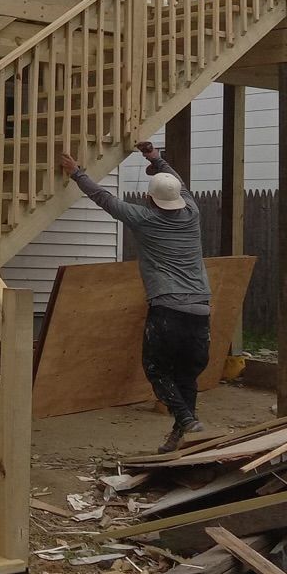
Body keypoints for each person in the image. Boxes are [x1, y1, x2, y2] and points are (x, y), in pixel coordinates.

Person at [58, 142, 211, 452]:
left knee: (156, 369)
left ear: (148, 198)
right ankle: (184, 430)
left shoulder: (144, 219)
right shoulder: (193, 212)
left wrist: (76, 172)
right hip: (201, 310)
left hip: (168, 309)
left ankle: (184, 419)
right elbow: (175, 181)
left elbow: (104, 199)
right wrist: (155, 158)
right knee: (186, 375)